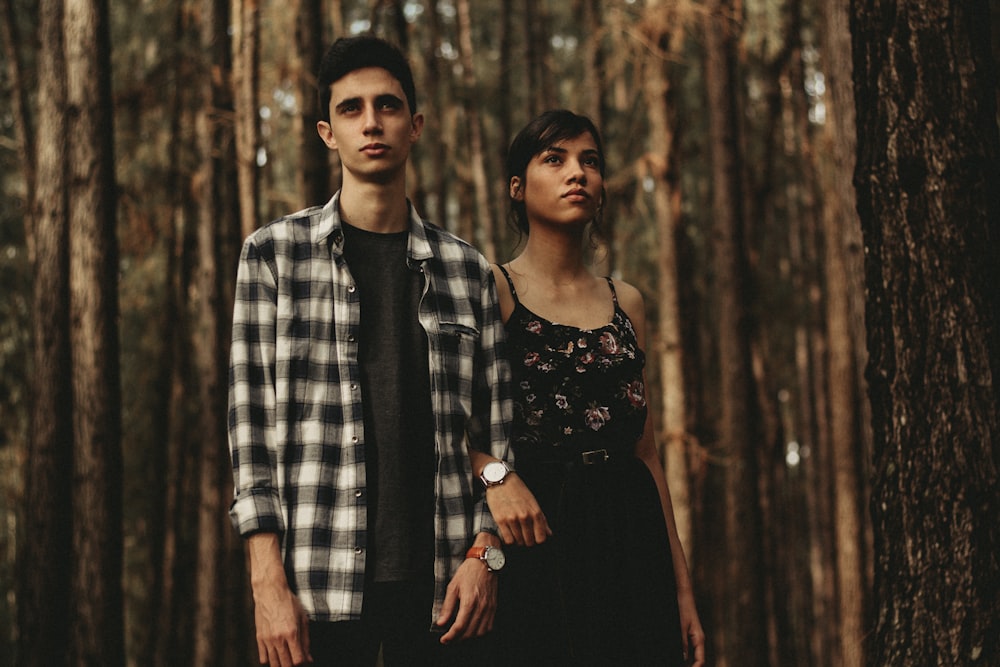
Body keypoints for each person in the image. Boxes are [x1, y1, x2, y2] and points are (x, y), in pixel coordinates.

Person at [226, 35, 546, 667]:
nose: (371, 122)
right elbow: (251, 438)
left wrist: (487, 558)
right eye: (351, 109)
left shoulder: (467, 271)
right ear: (327, 132)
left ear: (415, 125)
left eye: (388, 106)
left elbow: (496, 437)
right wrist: (267, 585)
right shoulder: (272, 257)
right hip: (314, 586)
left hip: (445, 591)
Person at [482, 109, 707, 666]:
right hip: (541, 530)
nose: (576, 173)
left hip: (631, 531)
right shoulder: (493, 287)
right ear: (517, 186)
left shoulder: (626, 301)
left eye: (590, 162)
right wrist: (494, 476)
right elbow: (448, 421)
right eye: (554, 160)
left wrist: (682, 592)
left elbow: (647, 454)